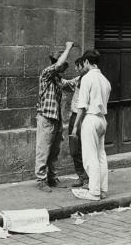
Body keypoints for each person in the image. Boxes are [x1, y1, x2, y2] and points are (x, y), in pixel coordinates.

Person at [71, 50, 111, 200]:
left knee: (90, 157)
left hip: (91, 118)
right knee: (101, 155)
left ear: (87, 62)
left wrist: (75, 126)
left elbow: (81, 106)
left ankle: (94, 191)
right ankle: (103, 189)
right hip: (102, 119)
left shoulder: (87, 78)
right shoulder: (105, 80)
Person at [35, 41, 74, 192]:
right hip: (45, 118)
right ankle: (41, 180)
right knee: (43, 150)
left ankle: (52, 178)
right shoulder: (46, 74)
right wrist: (68, 48)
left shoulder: (58, 80)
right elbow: (58, 66)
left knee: (54, 152)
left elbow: (70, 85)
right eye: (62, 65)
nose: (63, 69)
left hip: (56, 120)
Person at [62, 58, 89, 188]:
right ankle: (81, 175)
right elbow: (66, 84)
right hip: (74, 116)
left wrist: (77, 125)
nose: (77, 69)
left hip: (85, 117)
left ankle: (88, 176)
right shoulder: (79, 79)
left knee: (86, 148)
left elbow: (84, 106)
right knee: (75, 149)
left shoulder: (90, 80)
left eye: (79, 66)